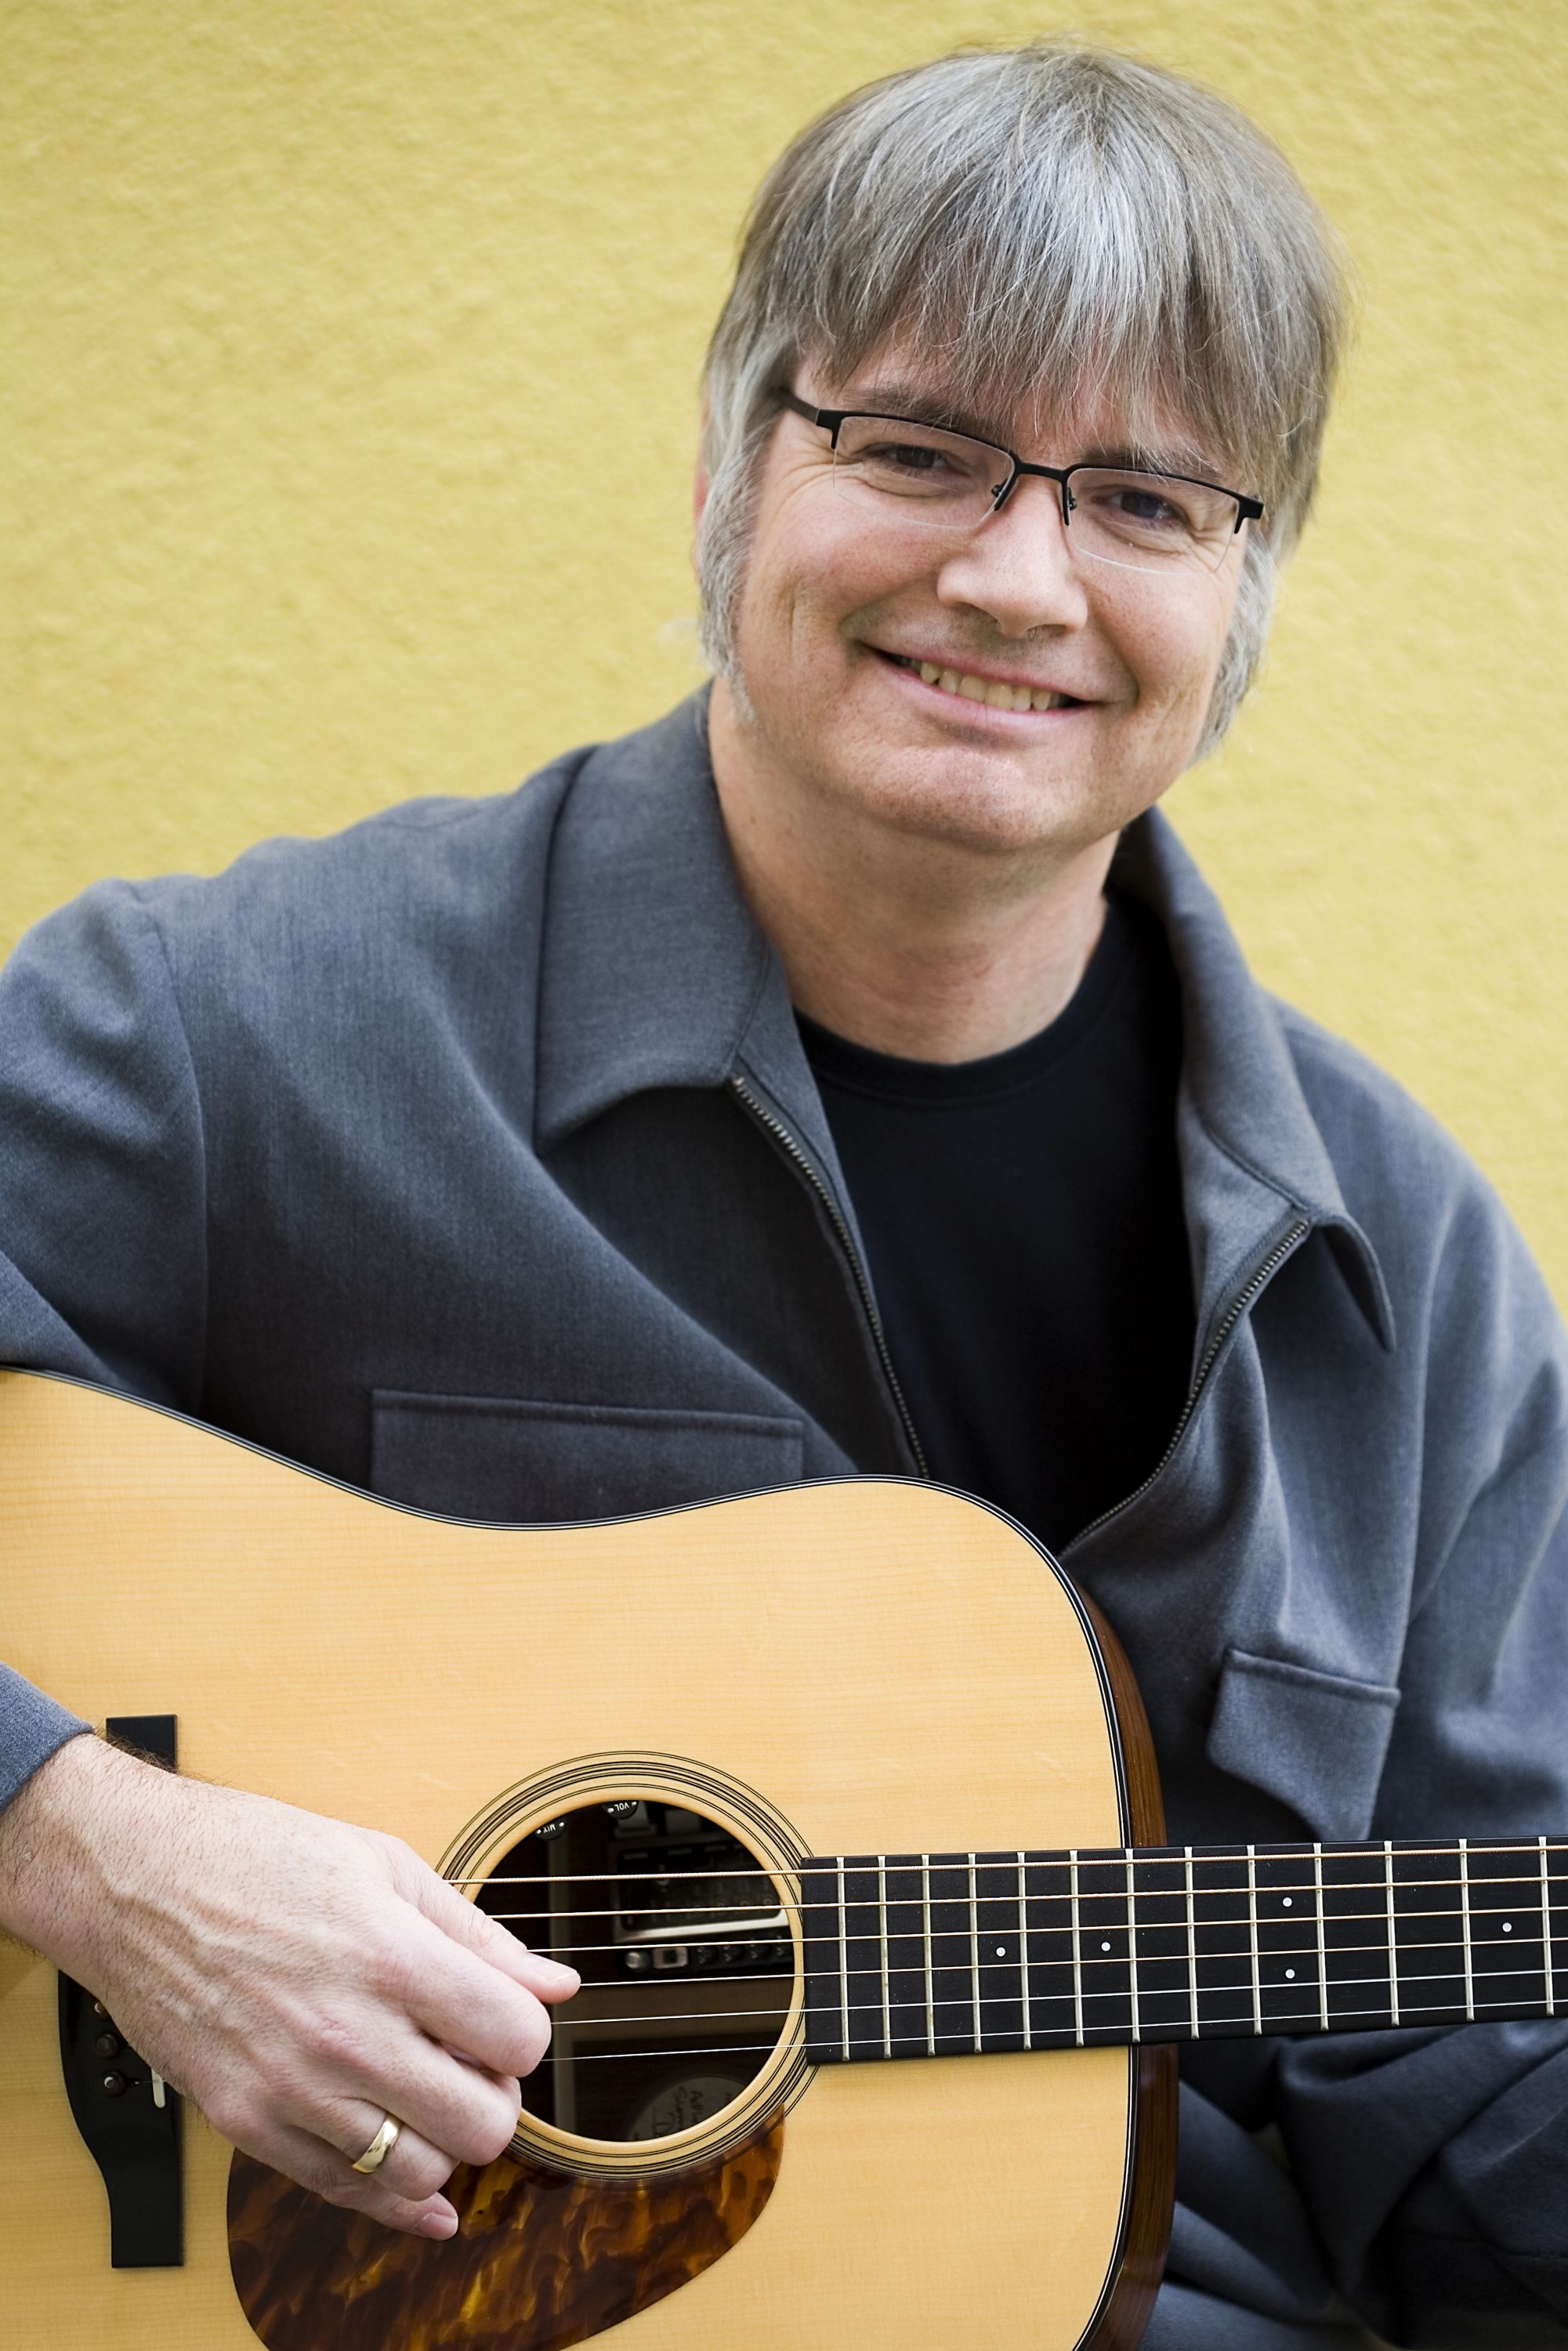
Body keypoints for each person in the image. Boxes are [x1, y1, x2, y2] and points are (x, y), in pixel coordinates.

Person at [2, 38, 1565, 2348]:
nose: (1014, 578)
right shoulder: (235, 1039)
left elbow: (1478, 2104)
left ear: (1248, 587)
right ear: (734, 476)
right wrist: (85, 1842)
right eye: (917, 451)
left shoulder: (1411, 1280)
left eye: (1146, 499)